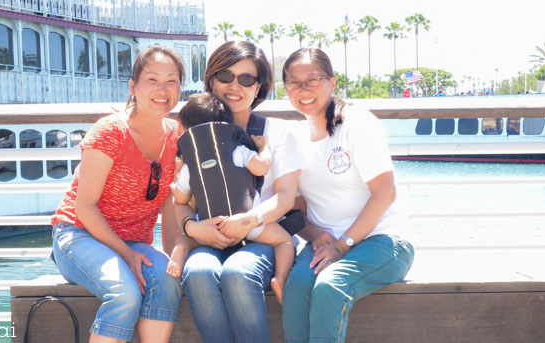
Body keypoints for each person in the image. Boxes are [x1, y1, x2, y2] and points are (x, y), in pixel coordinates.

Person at [51, 46, 186, 343]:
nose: (162, 89)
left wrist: (175, 257)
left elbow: (169, 206)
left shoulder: (176, 137)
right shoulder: (110, 131)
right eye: (152, 80)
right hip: (79, 234)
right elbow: (84, 207)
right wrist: (126, 254)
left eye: (171, 81)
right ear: (133, 86)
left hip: (134, 241)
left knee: (167, 279)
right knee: (123, 292)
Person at [281, 47, 415, 343]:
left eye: (312, 80)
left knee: (330, 285)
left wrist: (343, 245)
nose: (303, 90)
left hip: (382, 240)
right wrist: (315, 233)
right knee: (298, 286)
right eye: (294, 82)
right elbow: (297, 208)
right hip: (328, 241)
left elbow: (385, 193)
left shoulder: (357, 124)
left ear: (332, 82)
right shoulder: (294, 138)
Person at [178, 40, 302, 343]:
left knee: (237, 272)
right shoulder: (194, 136)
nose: (235, 86)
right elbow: (181, 198)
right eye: (225, 76)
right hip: (212, 235)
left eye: (246, 79)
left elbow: (286, 196)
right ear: (211, 80)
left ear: (258, 87)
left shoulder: (277, 133)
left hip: (263, 235)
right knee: (197, 272)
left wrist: (249, 221)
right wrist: (193, 227)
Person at [167, 93, 295, 304]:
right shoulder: (238, 151)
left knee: (188, 238)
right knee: (284, 241)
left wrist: (176, 178)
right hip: (247, 224)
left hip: (210, 226)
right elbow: (261, 167)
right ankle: (280, 279)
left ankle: (181, 248)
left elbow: (181, 198)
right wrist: (264, 148)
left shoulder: (190, 165)